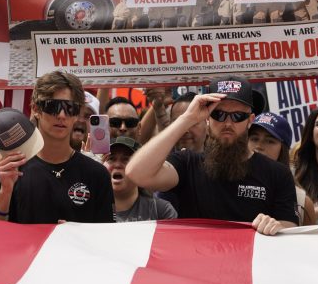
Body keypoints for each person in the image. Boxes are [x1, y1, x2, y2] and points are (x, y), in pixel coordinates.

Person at [126, 75, 298, 235]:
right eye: (218, 114)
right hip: (197, 256)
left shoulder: (278, 173)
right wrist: (187, 118)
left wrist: (275, 227)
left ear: (250, 120)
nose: (228, 123)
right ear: (207, 118)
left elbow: (289, 229)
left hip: (250, 257)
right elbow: (137, 173)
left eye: (238, 116)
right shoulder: (187, 163)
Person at [0, 71, 114, 223]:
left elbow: (106, 234)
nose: (61, 115)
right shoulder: (10, 168)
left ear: (76, 114)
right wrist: (5, 191)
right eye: (53, 106)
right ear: (36, 109)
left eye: (70, 108)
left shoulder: (97, 174)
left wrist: (78, 232)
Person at [248, 112, 317, 225]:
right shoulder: (228, 182)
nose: (259, 146)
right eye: (254, 139)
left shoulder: (301, 201)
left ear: (283, 150)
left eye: (270, 141)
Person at [103, 136, 177, 222]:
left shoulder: (161, 210)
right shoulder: (91, 207)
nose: (117, 165)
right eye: (111, 159)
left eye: (126, 159)